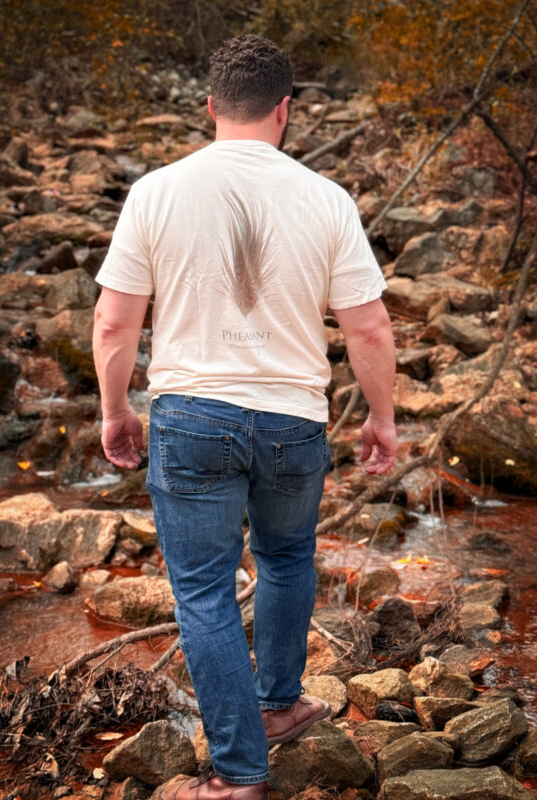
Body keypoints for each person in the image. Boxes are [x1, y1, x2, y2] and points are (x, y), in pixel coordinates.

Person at [92, 33, 397, 800]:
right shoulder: (328, 199)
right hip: (294, 417)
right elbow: (368, 329)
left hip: (192, 414)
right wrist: (383, 419)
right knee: (289, 557)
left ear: (211, 107)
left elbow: (113, 323)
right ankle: (281, 703)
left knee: (202, 591)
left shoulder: (157, 191)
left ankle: (237, 776)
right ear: (285, 110)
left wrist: (115, 409)